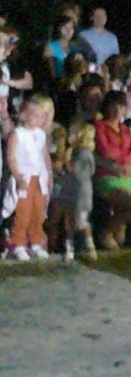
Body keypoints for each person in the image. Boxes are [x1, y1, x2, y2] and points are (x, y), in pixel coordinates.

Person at [3, 94, 53, 260]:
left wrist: (49, 176)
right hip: (24, 178)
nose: (39, 119)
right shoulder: (17, 134)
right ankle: (18, 243)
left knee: (38, 211)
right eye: (35, 115)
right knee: (23, 212)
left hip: (40, 179)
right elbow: (11, 158)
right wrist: (18, 178)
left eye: (42, 116)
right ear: (24, 115)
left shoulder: (41, 134)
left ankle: (36, 242)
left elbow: (44, 156)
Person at [94, 91, 131, 250]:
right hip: (107, 177)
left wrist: (124, 163)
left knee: (122, 223)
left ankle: (115, 249)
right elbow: (106, 150)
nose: (118, 110)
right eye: (114, 106)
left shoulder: (125, 129)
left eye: (121, 106)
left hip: (126, 178)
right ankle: (105, 232)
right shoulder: (99, 126)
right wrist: (123, 160)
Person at [47, 123, 97, 261]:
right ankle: (69, 248)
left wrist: (67, 160)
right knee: (69, 221)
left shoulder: (85, 154)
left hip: (81, 192)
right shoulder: (76, 152)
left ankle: (89, 245)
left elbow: (76, 170)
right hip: (70, 190)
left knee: (81, 220)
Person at [43, 15, 76, 80]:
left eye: (71, 28)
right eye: (65, 28)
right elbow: (50, 72)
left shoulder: (75, 46)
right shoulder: (50, 47)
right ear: (58, 29)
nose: (69, 31)